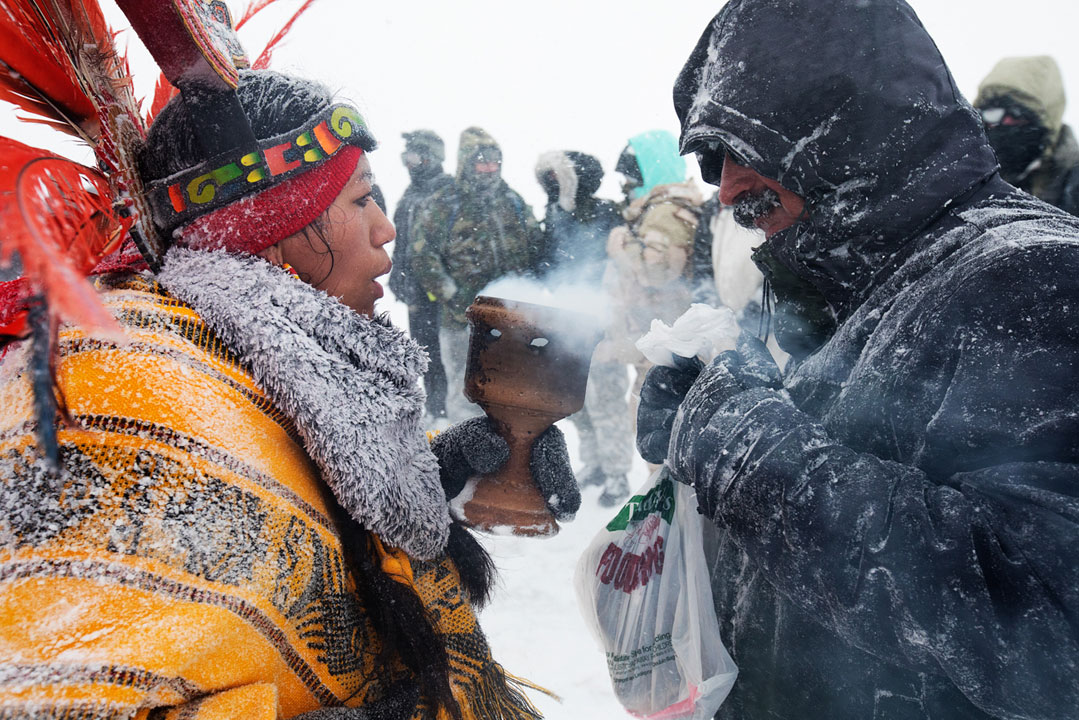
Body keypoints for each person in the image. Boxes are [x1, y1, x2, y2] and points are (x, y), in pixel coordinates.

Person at [0, 70, 578, 719]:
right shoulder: (119, 391)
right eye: (361, 199)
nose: (386, 228)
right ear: (273, 227)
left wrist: (441, 471)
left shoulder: (248, 345)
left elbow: (276, 492)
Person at [635, 1, 1079, 718]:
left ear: (838, 121)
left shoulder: (1033, 276)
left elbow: (1050, 623)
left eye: (743, 147)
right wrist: (703, 406)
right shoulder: (842, 276)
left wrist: (748, 455)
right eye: (713, 160)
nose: (726, 187)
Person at [598, 138, 704, 505]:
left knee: (660, 446)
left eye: (633, 176)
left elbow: (657, 271)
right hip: (659, 344)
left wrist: (621, 249)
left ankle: (668, 513)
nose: (627, 185)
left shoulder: (666, 213)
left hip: (665, 349)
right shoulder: (666, 208)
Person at [410, 127, 541, 423]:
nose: (489, 168)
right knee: (467, 397)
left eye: (495, 162)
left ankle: (510, 451)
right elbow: (422, 256)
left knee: (513, 397)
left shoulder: (513, 201)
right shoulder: (445, 203)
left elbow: (535, 248)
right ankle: (468, 451)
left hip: (512, 322)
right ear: (467, 163)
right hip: (463, 324)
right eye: (482, 162)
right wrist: (453, 296)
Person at [532, 150, 630, 496]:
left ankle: (617, 471)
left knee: (608, 398)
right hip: (566, 321)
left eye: (557, 177)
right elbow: (547, 263)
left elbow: (617, 266)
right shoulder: (553, 214)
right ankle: (595, 463)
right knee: (575, 399)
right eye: (547, 178)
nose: (552, 184)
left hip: (601, 320)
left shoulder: (606, 212)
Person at [388, 130, 454, 426]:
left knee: (446, 355)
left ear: (431, 158)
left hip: (441, 293)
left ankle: (448, 413)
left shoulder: (447, 191)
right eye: (406, 157)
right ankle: (435, 410)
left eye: (415, 157)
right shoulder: (411, 193)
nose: (409, 164)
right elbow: (402, 241)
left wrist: (444, 283)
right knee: (424, 353)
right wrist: (397, 275)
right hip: (415, 291)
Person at [974, 56, 1079, 217]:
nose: (1005, 123)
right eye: (994, 112)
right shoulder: (970, 179)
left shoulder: (1073, 184)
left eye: (1017, 113)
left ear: (1047, 120)